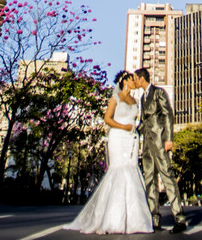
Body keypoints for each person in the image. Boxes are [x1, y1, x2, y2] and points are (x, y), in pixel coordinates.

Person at [63, 71, 154, 234]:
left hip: (131, 140)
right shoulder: (116, 98)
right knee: (118, 171)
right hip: (118, 137)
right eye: (131, 79)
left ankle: (134, 220)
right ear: (125, 81)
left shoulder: (135, 100)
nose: (134, 82)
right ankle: (112, 218)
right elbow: (108, 119)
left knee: (132, 172)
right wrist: (124, 127)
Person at [134, 68, 187, 234]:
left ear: (141, 79)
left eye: (135, 78)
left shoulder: (159, 93)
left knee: (167, 177)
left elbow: (167, 114)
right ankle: (154, 219)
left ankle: (180, 218)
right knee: (149, 179)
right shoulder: (143, 97)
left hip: (160, 141)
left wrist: (169, 138)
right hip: (147, 144)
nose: (134, 81)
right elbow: (144, 121)